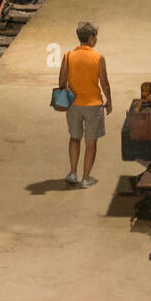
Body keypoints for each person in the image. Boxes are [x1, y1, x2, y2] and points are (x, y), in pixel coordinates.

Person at [58, 21, 113, 188]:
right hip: (93, 105)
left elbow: (62, 81)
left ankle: (73, 173)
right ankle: (86, 178)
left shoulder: (68, 56)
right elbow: (104, 83)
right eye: (95, 36)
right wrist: (109, 101)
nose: (96, 39)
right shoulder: (98, 58)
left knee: (74, 138)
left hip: (74, 105)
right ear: (90, 38)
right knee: (91, 142)